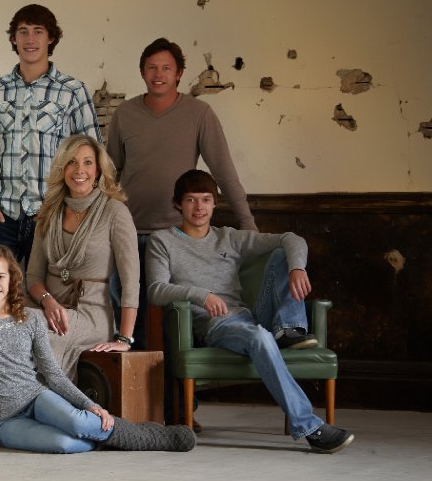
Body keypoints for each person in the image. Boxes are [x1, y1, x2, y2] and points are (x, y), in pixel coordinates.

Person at [146, 169, 355, 454]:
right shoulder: (163, 241)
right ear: (177, 204)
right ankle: (309, 426)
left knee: (282, 253)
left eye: (206, 199)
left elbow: (292, 238)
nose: (199, 207)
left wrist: (297, 268)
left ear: (215, 203)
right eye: (191, 200)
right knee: (259, 336)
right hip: (218, 325)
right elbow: (156, 289)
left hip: (250, 316)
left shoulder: (229, 238)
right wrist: (201, 295)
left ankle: (288, 330)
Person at [0, 245, 195, 453]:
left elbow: (53, 374)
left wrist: (92, 406)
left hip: (37, 398)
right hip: (4, 421)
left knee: (77, 422)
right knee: (65, 444)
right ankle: (105, 438)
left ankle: (151, 437)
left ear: (11, 279)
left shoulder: (30, 318)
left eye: (0, 277)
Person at [105, 36, 256, 354]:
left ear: (179, 74)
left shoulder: (199, 113)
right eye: (151, 68)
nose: (158, 74)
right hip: (129, 231)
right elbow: (109, 173)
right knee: (128, 313)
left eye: (166, 68)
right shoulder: (125, 113)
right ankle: (135, 381)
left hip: (177, 236)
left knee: (176, 319)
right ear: (142, 72)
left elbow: (224, 171)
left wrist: (247, 222)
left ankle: (175, 385)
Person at [0, 3, 101, 263]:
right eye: (23, 31)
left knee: (51, 287)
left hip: (52, 216)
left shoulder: (72, 91)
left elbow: (95, 156)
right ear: (13, 39)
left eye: (38, 31)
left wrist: (74, 208)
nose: (30, 39)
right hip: (1, 217)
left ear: (51, 38)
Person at [25, 135, 140, 380]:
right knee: (1, 320)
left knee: (30, 324)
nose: (80, 170)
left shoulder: (115, 212)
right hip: (45, 308)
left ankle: (43, 398)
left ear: (98, 170)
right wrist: (48, 301)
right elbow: (33, 277)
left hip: (91, 314)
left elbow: (131, 281)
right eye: (72, 162)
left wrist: (124, 339)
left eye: (88, 162)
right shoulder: (49, 211)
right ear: (62, 168)